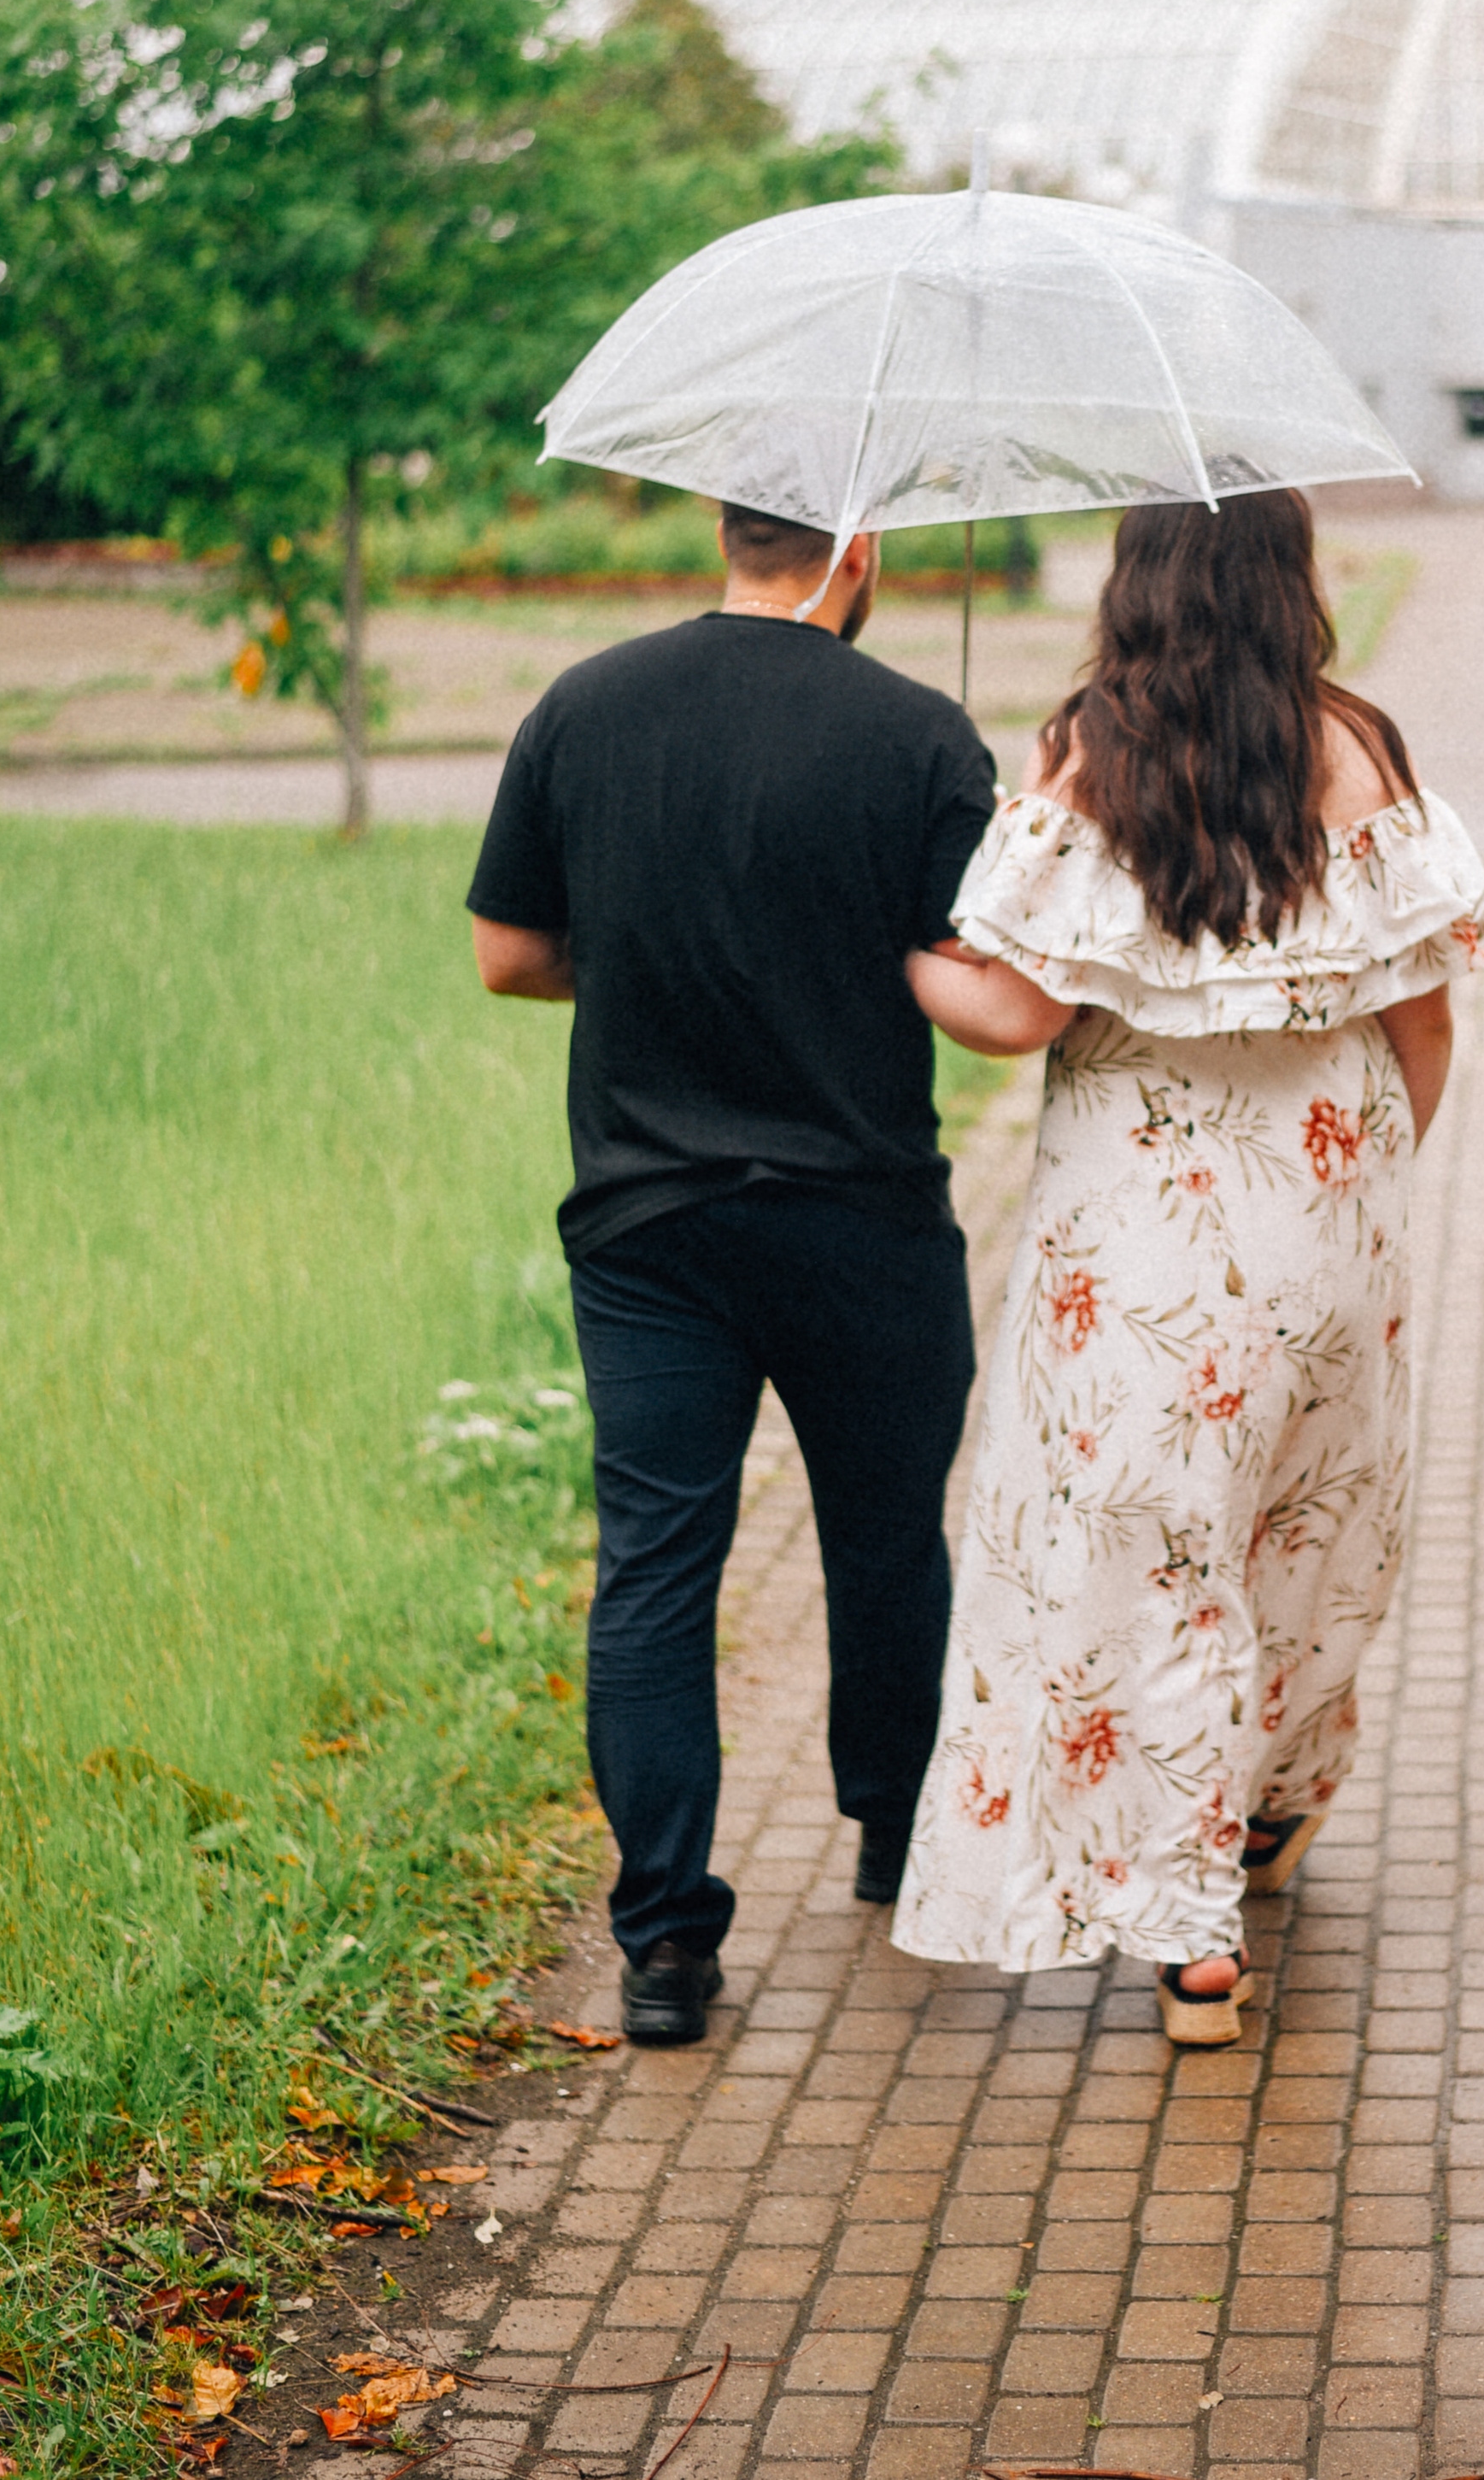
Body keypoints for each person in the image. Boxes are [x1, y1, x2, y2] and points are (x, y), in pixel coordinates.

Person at [889, 491, 1484, 2042]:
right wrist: (1364, 1189)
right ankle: (1267, 1802)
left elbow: (1014, 1013)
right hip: (1331, 1217)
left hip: (1144, 1241)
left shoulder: (1092, 750)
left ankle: (1190, 1930)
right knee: (1307, 1528)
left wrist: (909, 954)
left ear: (1139, 580)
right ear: (1290, 578)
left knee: (1152, 1558)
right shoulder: (1359, 747)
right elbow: (1424, 1015)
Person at [466, 504, 997, 2043]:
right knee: (886, 1542)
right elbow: (976, 972)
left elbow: (509, 953)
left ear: (725, 523)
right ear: (859, 546)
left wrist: (640, 958)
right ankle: (895, 1833)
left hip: (650, 1232)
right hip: (865, 1225)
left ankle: (663, 1944)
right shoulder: (922, 732)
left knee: (655, 1567)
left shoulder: (585, 705)